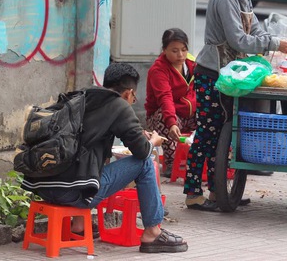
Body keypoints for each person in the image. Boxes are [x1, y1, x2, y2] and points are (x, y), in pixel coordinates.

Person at [20, 63, 188, 253]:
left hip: (42, 187)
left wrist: (138, 133)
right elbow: (141, 152)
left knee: (85, 160)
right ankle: (153, 232)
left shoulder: (82, 96)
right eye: (134, 96)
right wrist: (153, 142)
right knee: (146, 163)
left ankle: (78, 226)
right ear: (128, 93)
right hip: (71, 194)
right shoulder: (120, 106)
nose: (133, 100)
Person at [183, 0, 287, 211]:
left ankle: (215, 192)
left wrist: (273, 41)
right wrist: (272, 43)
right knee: (208, 135)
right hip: (212, 73)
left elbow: (254, 28)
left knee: (222, 133)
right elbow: (237, 39)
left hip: (230, 73)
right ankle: (193, 193)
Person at [145, 28, 196, 178]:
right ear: (164, 50)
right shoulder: (158, 70)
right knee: (164, 116)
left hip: (188, 113)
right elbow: (165, 97)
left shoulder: (191, 64)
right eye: (174, 50)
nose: (180, 55)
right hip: (165, 115)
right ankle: (171, 162)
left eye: (183, 49)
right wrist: (172, 122)